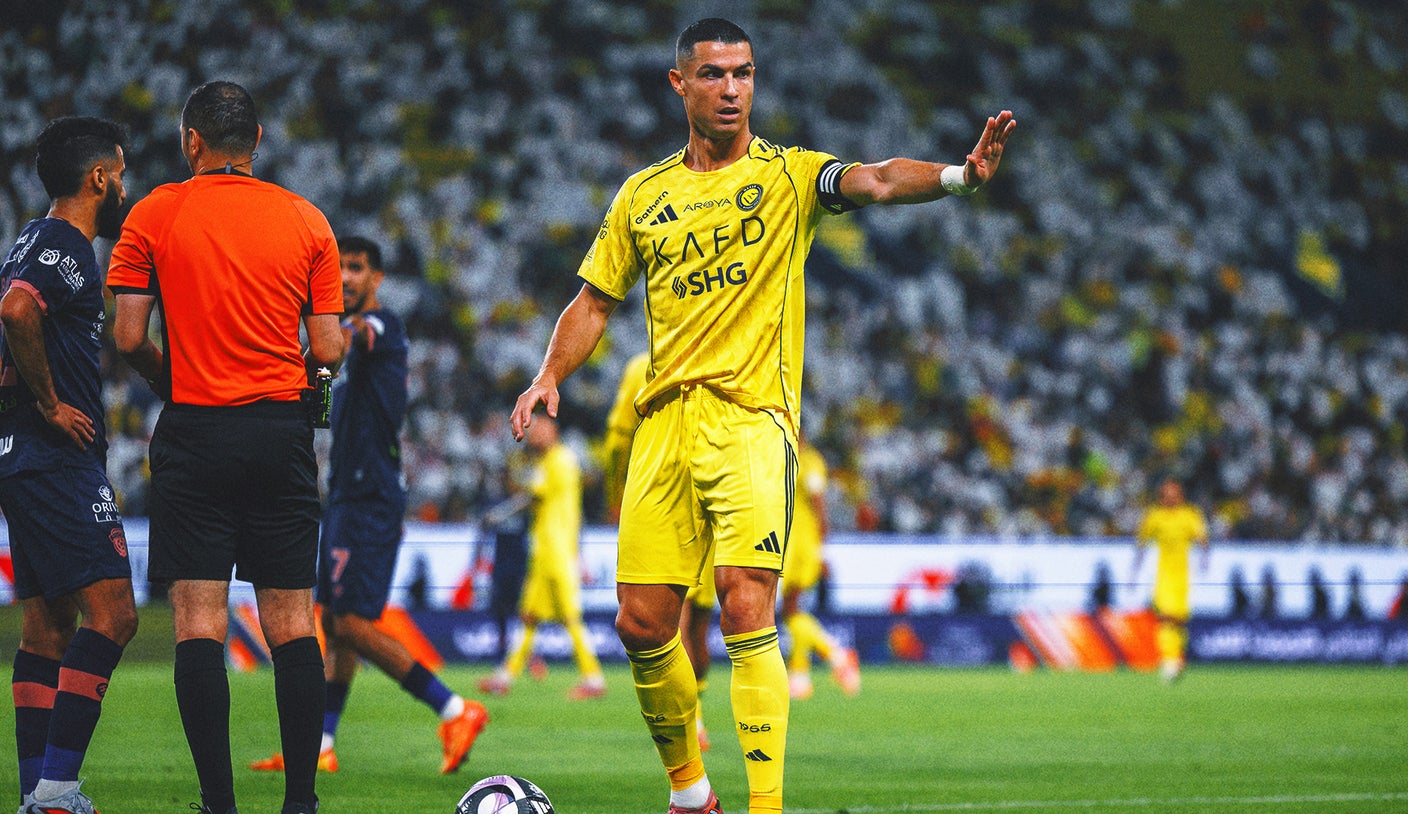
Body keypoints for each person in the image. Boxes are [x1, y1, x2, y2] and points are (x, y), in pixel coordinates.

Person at [509, 18, 1014, 814]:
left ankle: (765, 806)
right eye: (713, 74)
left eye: (743, 73)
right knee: (641, 624)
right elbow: (593, 301)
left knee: (745, 602)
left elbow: (878, 181)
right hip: (664, 423)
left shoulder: (790, 175)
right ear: (679, 84)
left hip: (752, 420)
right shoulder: (643, 194)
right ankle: (691, 795)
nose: (731, 89)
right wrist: (548, 375)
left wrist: (960, 176)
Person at [108, 81, 345, 814]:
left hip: (195, 431)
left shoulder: (153, 214)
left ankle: (218, 803)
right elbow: (328, 349)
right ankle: (300, 802)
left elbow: (126, 336)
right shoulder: (307, 219)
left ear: (192, 141)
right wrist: (296, 381)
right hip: (279, 433)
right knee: (292, 623)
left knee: (200, 624)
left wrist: (174, 378)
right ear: (258, 140)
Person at [249, 236, 487, 777]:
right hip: (347, 495)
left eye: (355, 267)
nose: (345, 277)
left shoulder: (380, 326)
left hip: (371, 497)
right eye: (338, 268)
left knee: (353, 624)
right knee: (336, 625)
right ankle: (321, 744)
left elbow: (353, 335)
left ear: (377, 277)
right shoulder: (344, 347)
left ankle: (456, 709)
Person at [1, 116, 138, 814]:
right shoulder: (66, 244)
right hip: (55, 457)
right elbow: (17, 311)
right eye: (122, 175)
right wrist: (52, 405)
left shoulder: (29, 237)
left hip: (20, 456)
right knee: (114, 615)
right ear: (99, 178)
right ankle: (57, 792)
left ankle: (36, 793)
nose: (125, 190)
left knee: (48, 627)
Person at [606, 351, 714, 749]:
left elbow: (617, 440)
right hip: (713, 496)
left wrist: (615, 495)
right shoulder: (713, 354)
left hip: (663, 495)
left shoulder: (641, 366)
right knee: (696, 625)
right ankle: (696, 714)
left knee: (679, 621)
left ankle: (691, 721)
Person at [479, 416, 607, 700]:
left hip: (556, 551)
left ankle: (594, 679)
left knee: (570, 616)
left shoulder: (557, 461)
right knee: (530, 615)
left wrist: (498, 515)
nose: (533, 434)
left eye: (539, 430)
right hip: (545, 551)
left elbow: (531, 497)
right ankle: (505, 677)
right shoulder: (554, 461)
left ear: (554, 432)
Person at [781, 441, 859, 700]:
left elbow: (818, 499)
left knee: (790, 609)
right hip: (792, 541)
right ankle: (805, 672)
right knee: (792, 610)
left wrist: (820, 542)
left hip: (801, 544)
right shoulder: (786, 454)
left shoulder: (810, 460)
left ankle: (829, 659)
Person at [1131, 478, 1209, 684]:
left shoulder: (1190, 515)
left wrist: (1204, 561)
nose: (1169, 497)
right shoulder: (1154, 516)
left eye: (1173, 494)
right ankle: (1170, 661)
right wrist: (1134, 573)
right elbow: (1141, 544)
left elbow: (1203, 539)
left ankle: (1176, 658)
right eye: (1166, 494)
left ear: (1180, 495)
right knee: (1165, 617)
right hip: (1163, 577)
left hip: (1182, 577)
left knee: (1178, 621)